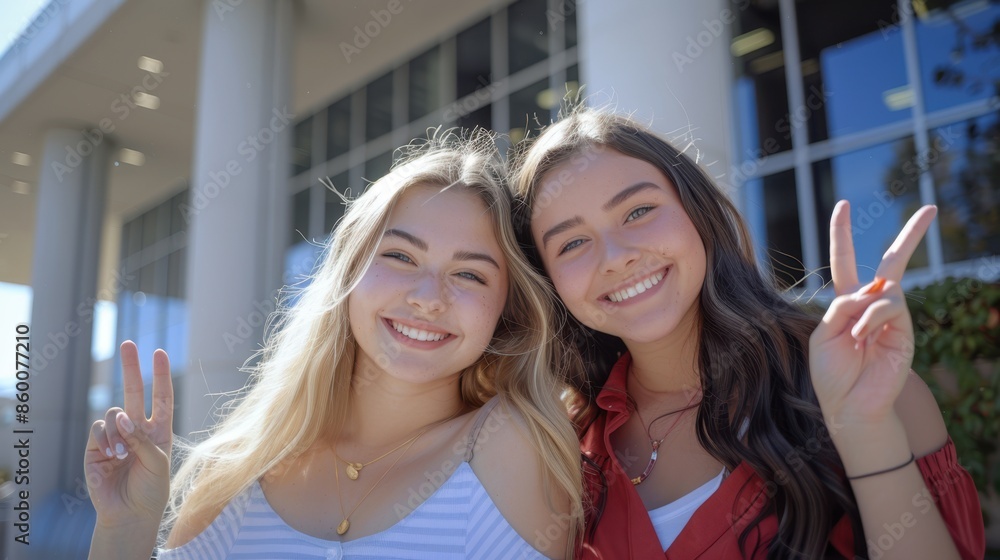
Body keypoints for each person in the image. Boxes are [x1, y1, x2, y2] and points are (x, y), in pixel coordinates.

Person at [508, 107, 985, 559]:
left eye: (637, 211)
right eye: (572, 242)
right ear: (547, 281)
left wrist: (866, 428)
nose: (615, 256)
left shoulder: (857, 379)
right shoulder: (562, 448)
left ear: (697, 211)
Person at [84, 130, 584, 560]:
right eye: (402, 257)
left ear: (504, 312)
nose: (429, 298)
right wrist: (123, 530)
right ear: (349, 270)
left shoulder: (510, 447)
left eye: (470, 274)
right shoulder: (237, 469)